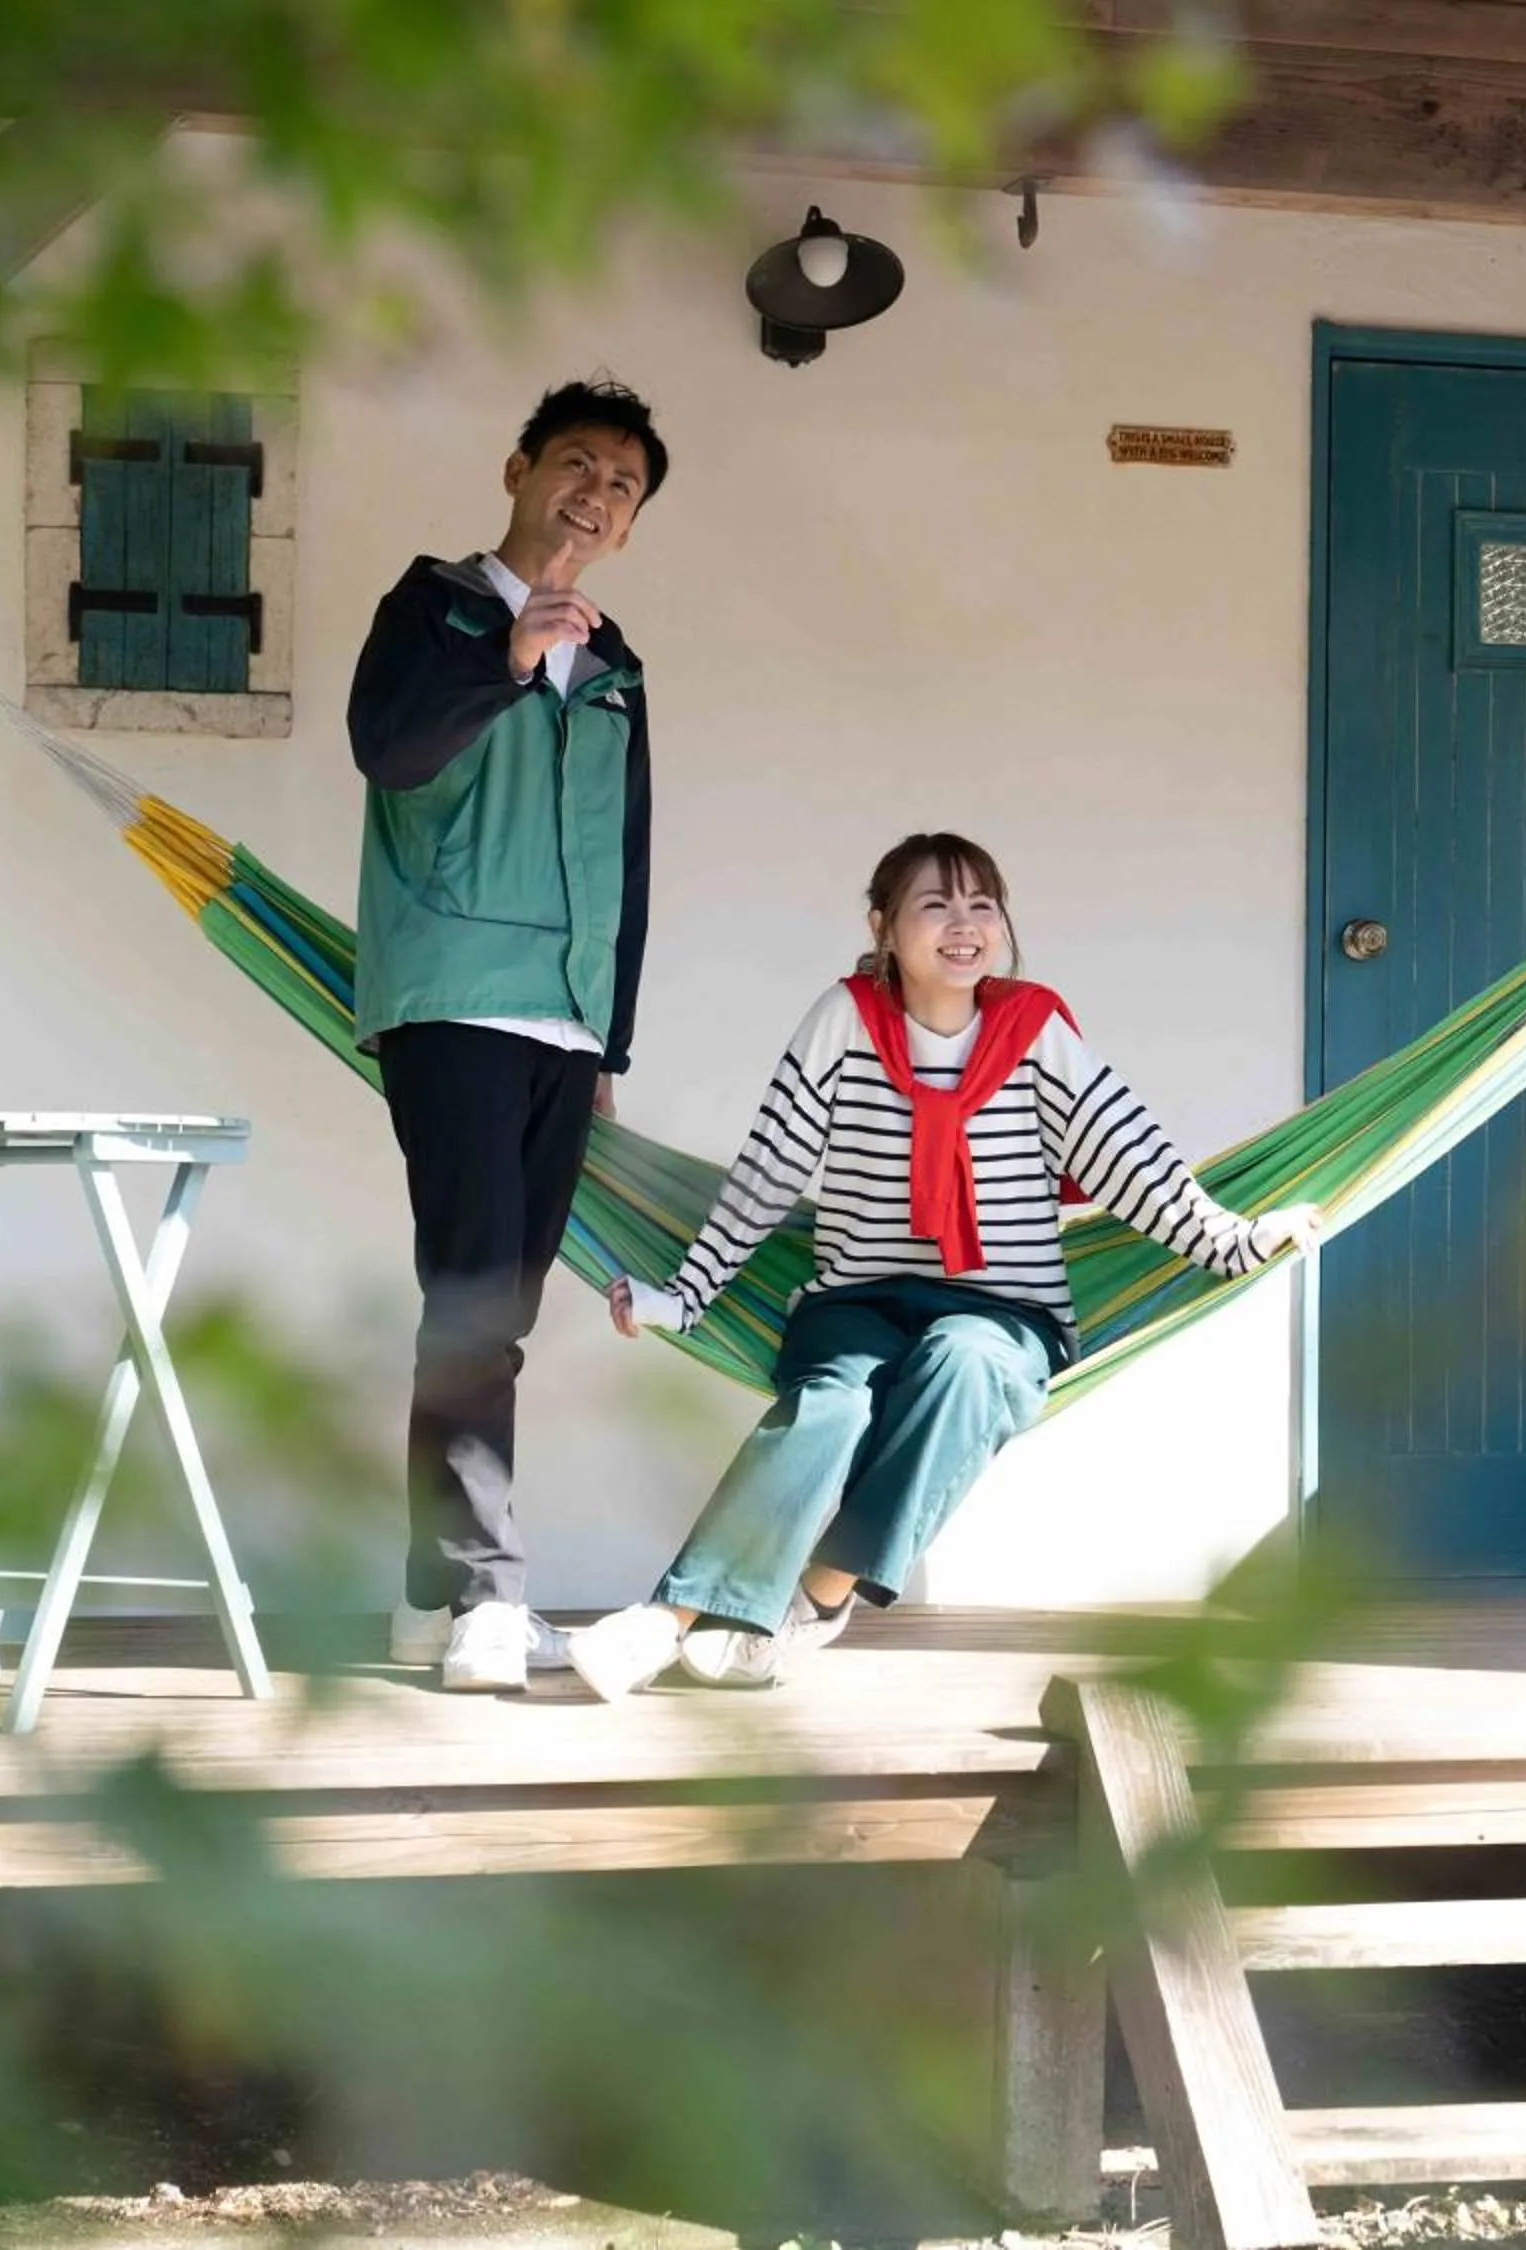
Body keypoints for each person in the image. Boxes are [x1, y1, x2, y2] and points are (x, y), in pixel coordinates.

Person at [568, 832, 1321, 1699]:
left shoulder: (1034, 1030)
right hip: (857, 1299)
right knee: (829, 1405)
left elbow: (1124, 1154)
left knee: (965, 1363)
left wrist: (1231, 1239)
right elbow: (769, 1169)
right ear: (883, 926)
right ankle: (667, 1621)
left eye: (983, 905)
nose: (963, 925)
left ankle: (818, 1597)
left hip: (1004, 1309)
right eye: (936, 904)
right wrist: (689, 1295)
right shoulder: (844, 1020)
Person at [349, 377, 670, 1692]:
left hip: (562, 1024)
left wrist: (612, 1042)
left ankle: (434, 1601)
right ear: (519, 465)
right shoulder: (434, 607)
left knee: (499, 1312)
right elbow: (389, 747)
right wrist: (508, 655)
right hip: (453, 998)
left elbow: (629, 861)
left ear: (632, 524)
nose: (596, 495)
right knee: (474, 1302)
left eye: (624, 487)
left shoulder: (621, 667)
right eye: (579, 465)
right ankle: (490, 1590)